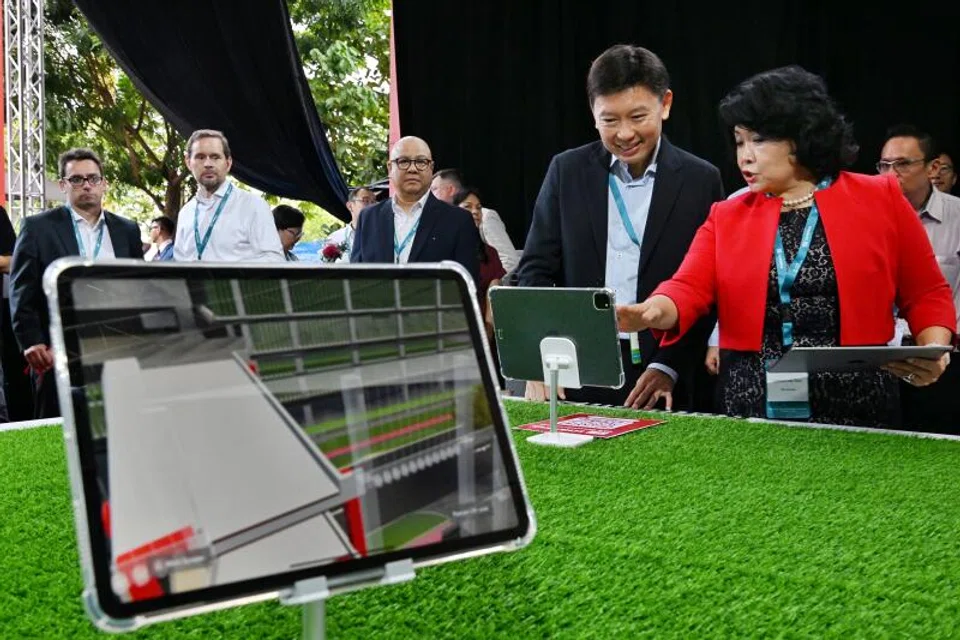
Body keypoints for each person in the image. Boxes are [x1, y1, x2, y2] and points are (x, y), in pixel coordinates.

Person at [617, 66, 956, 429]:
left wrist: (933, 351)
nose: (744, 156)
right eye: (739, 141)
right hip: (750, 405)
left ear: (800, 137)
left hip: (860, 405)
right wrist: (650, 312)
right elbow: (687, 287)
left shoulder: (880, 197)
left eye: (758, 141)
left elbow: (926, 292)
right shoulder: (727, 214)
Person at [516, 44, 723, 409]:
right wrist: (538, 358)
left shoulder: (700, 180)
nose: (624, 134)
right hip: (573, 366)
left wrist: (668, 366)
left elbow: (708, 288)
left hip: (665, 376)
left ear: (666, 104)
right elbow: (535, 269)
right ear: (593, 114)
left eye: (638, 116)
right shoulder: (567, 172)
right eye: (609, 120)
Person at [9, 147, 144, 418]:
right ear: (63, 185)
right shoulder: (38, 228)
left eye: (93, 178)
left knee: (119, 426)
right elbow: (22, 289)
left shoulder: (127, 229)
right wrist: (31, 341)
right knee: (59, 431)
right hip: (59, 351)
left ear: (104, 184)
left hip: (117, 347)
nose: (86, 186)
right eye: (77, 180)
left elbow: (138, 286)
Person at [879, 127, 960, 432]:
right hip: (882, 358)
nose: (891, 174)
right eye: (884, 165)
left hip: (943, 357)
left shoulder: (957, 216)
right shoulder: (869, 216)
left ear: (933, 167)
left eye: (902, 164)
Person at [351, 136, 480, 282]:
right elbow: (355, 280)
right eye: (404, 161)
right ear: (390, 168)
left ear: (431, 168)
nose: (413, 169)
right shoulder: (369, 218)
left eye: (421, 162)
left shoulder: (458, 221)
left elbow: (467, 285)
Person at [173, 129, 284, 262]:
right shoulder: (186, 212)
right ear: (188, 162)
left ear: (228, 163)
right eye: (200, 157)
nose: (208, 164)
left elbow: (274, 260)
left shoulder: (253, 206)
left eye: (215, 157)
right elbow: (179, 262)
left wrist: (224, 275)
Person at [431, 168, 521, 272]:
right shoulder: (441, 222)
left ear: (451, 190)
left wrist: (496, 282)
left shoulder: (486, 216)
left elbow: (508, 260)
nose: (429, 194)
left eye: (434, 189)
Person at [324, 187, 375, 263]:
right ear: (350, 206)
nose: (371, 206)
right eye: (366, 201)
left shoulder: (383, 236)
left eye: (374, 202)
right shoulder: (334, 239)